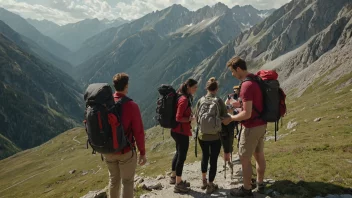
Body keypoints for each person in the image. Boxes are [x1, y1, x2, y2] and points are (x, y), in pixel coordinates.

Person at [226, 57, 267, 197]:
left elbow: (247, 113)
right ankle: (260, 184)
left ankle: (246, 189)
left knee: (244, 158)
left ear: (238, 69)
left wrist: (231, 118)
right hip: (261, 124)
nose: (232, 75)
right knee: (259, 154)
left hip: (250, 127)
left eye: (232, 71)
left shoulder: (246, 85)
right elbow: (252, 104)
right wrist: (238, 104)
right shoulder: (255, 79)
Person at [103, 73, 147, 198]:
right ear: (126, 86)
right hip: (125, 150)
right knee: (127, 182)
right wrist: (142, 152)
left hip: (108, 151)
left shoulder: (105, 104)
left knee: (113, 180)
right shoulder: (132, 106)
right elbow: (138, 132)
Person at [195, 77, 231, 194]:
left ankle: (204, 181)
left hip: (202, 135)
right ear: (216, 89)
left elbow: (197, 117)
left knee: (205, 156)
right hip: (215, 136)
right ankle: (211, 185)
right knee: (213, 159)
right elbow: (225, 117)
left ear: (207, 88)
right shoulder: (219, 101)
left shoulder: (200, 100)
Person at [169, 79, 198, 193]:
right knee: (182, 157)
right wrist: (190, 119)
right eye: (194, 87)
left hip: (176, 131)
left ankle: (173, 177)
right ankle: (178, 183)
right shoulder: (184, 100)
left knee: (178, 153)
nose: (196, 89)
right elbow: (178, 117)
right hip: (181, 132)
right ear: (188, 87)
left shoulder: (180, 96)